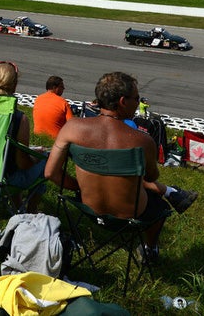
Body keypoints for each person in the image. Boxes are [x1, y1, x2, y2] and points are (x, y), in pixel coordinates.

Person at [45, 72, 188, 261]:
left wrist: (78, 187)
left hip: (88, 208)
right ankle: (149, 249)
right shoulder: (142, 141)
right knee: (160, 207)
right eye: (136, 98)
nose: (138, 103)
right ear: (122, 101)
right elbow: (151, 177)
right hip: (130, 216)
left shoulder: (72, 128)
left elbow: (50, 173)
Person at [0, 61, 47, 213]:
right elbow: (23, 164)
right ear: (14, 86)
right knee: (47, 159)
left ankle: (17, 205)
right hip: (3, 177)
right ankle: (31, 211)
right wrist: (36, 157)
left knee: (12, 156)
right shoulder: (19, 118)